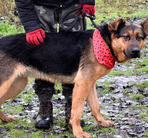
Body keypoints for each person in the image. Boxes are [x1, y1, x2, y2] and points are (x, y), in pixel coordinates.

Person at [15, 0, 95, 129]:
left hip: (72, 5)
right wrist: (31, 25)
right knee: (42, 55)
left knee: (75, 56)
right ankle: (44, 106)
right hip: (41, 7)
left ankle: (73, 108)